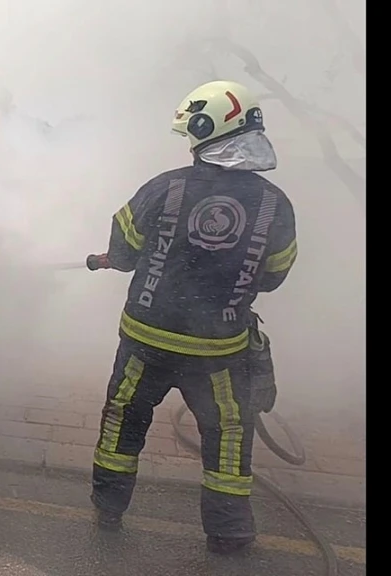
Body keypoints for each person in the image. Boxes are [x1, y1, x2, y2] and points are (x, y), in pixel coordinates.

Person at [85, 80, 297, 554]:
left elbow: (125, 251)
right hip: (219, 353)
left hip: (146, 341)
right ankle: (229, 532)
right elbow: (274, 276)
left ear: (205, 130)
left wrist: (127, 258)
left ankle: (109, 508)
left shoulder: (166, 187)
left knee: (123, 420)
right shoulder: (275, 203)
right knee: (227, 437)